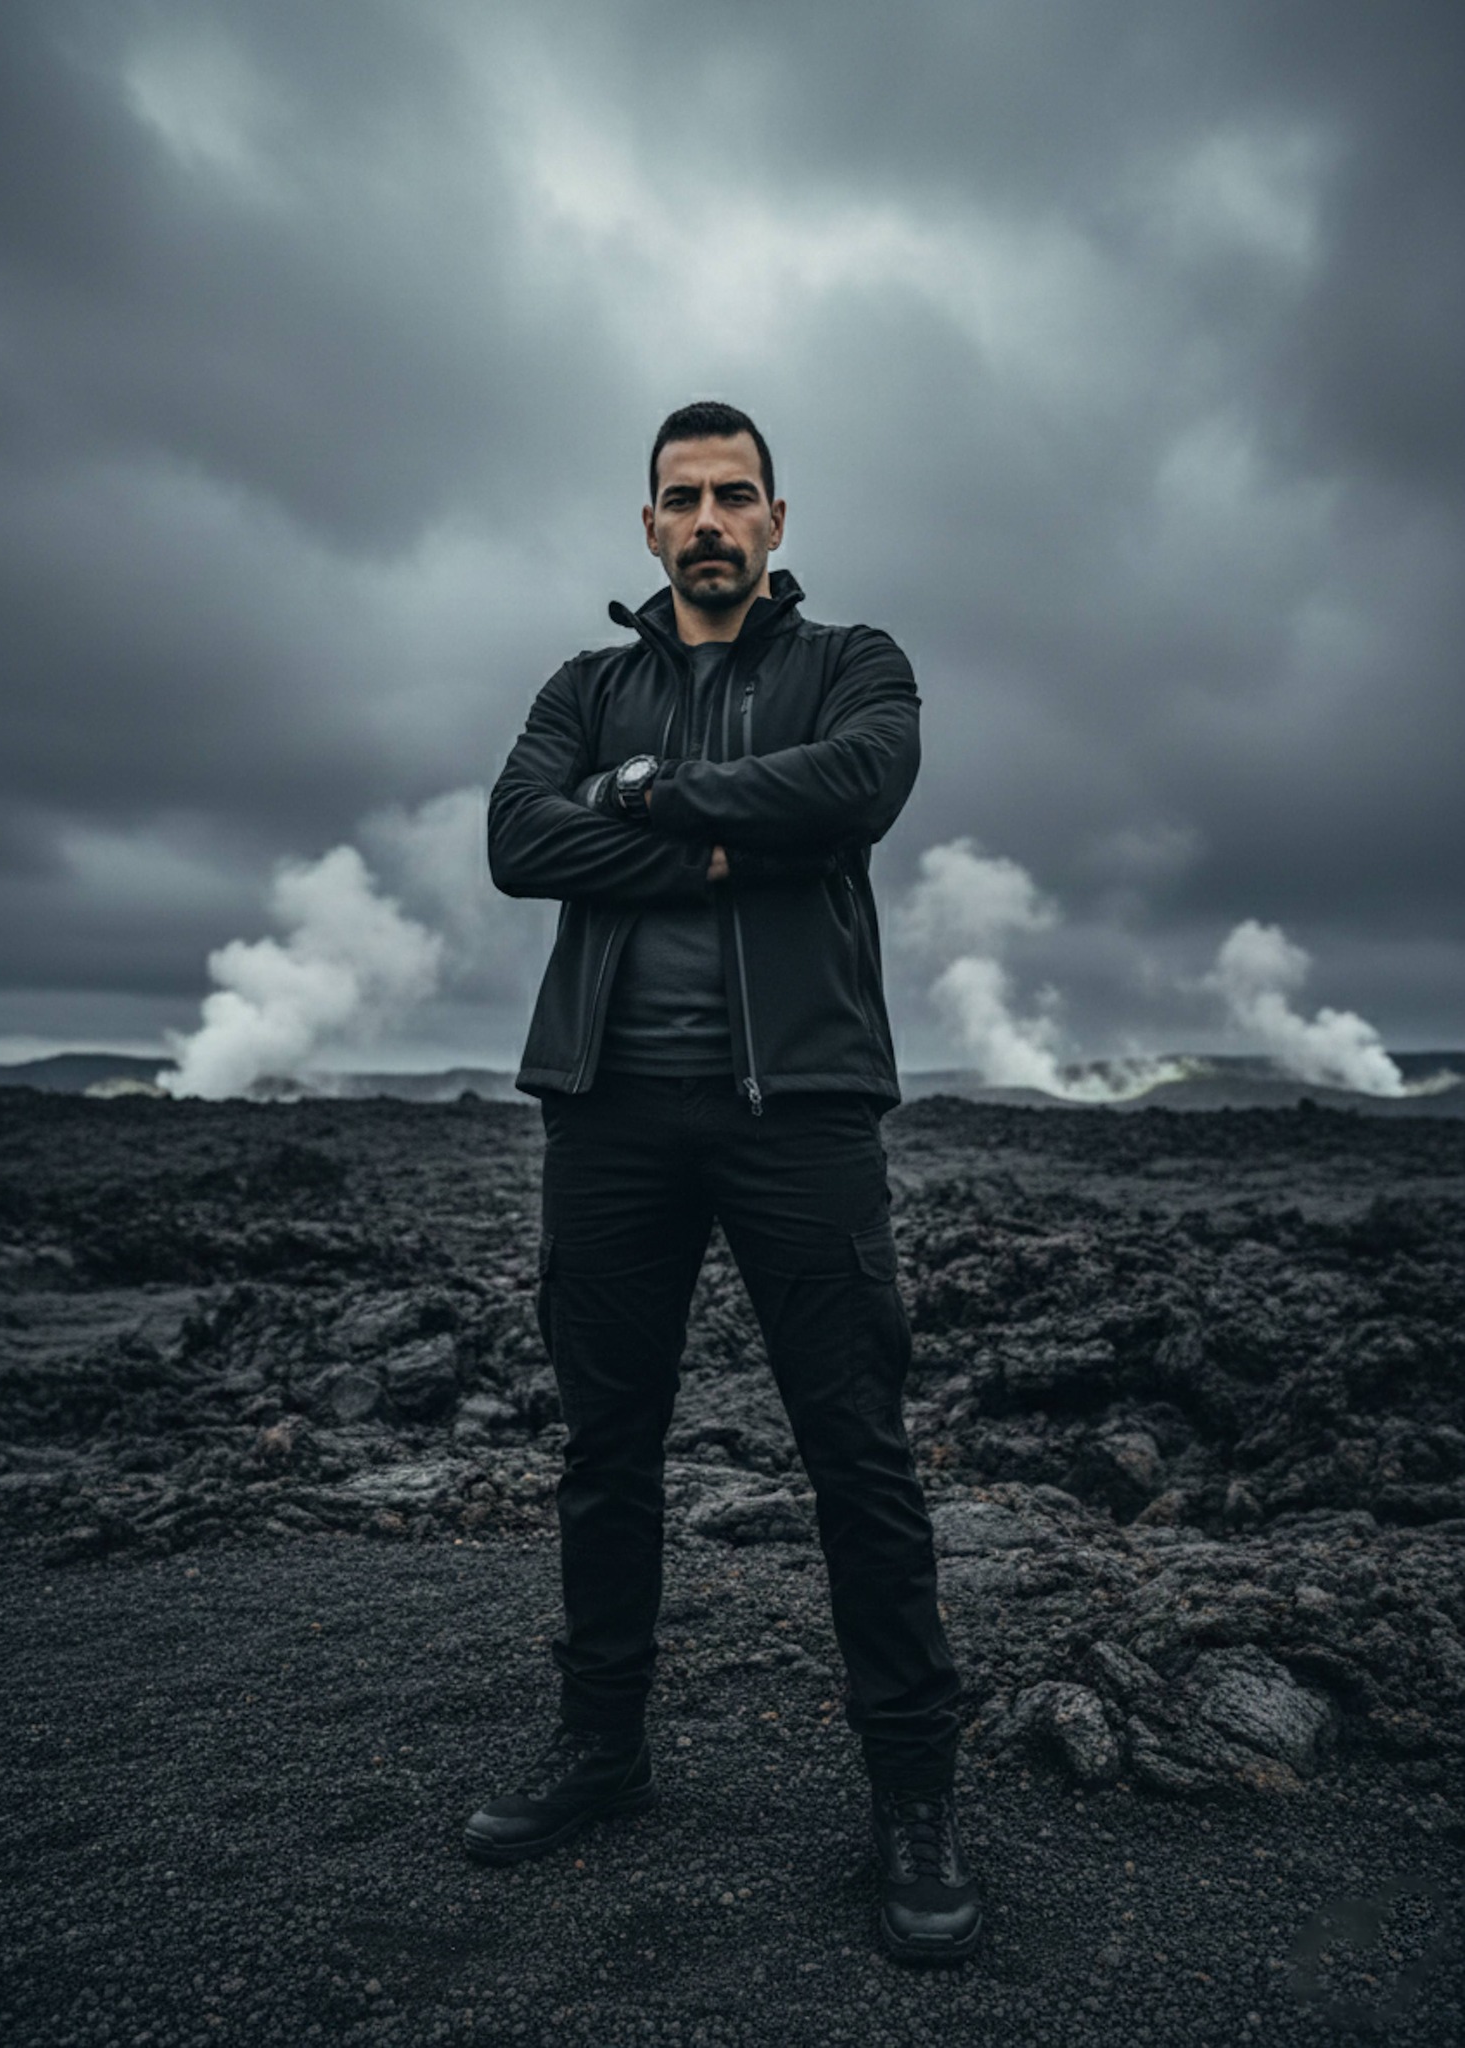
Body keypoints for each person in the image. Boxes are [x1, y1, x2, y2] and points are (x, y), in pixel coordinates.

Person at [470, 401, 981, 1964]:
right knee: (607, 1450)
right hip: (608, 1112)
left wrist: (644, 801)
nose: (707, 519)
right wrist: (708, 842)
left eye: (734, 496)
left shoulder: (856, 665)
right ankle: (601, 1752)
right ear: (647, 529)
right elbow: (514, 840)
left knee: (858, 1455)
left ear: (775, 519)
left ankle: (913, 1803)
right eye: (680, 498)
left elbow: (855, 788)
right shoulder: (586, 684)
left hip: (800, 1112)